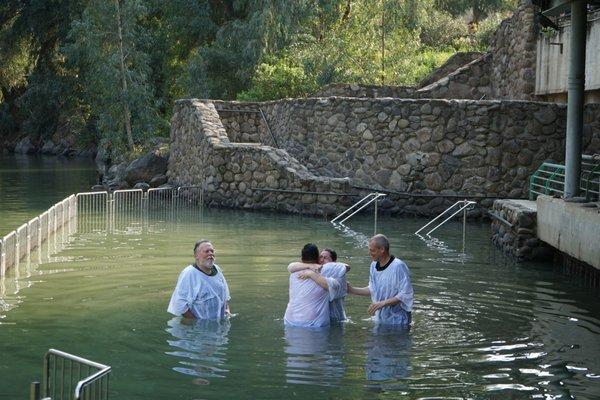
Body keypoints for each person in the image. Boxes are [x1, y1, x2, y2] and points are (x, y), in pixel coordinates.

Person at [348, 234, 413, 327]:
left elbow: (406, 294)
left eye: (372, 250)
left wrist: (383, 303)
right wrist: (351, 290)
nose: (369, 253)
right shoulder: (373, 266)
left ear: (382, 249)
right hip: (380, 318)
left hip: (398, 321)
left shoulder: (398, 266)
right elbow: (372, 289)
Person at [168, 240, 231, 319]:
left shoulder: (217, 270)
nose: (210, 253)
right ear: (196, 256)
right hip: (199, 328)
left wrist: (227, 310)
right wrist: (196, 324)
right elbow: (179, 304)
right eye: (206, 251)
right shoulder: (189, 274)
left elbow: (225, 295)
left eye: (212, 251)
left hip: (219, 325)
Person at [284, 243, 340, 328]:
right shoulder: (325, 271)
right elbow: (337, 283)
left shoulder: (293, 273)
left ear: (301, 258)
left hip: (289, 321)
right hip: (313, 324)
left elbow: (290, 266)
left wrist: (310, 272)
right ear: (317, 258)